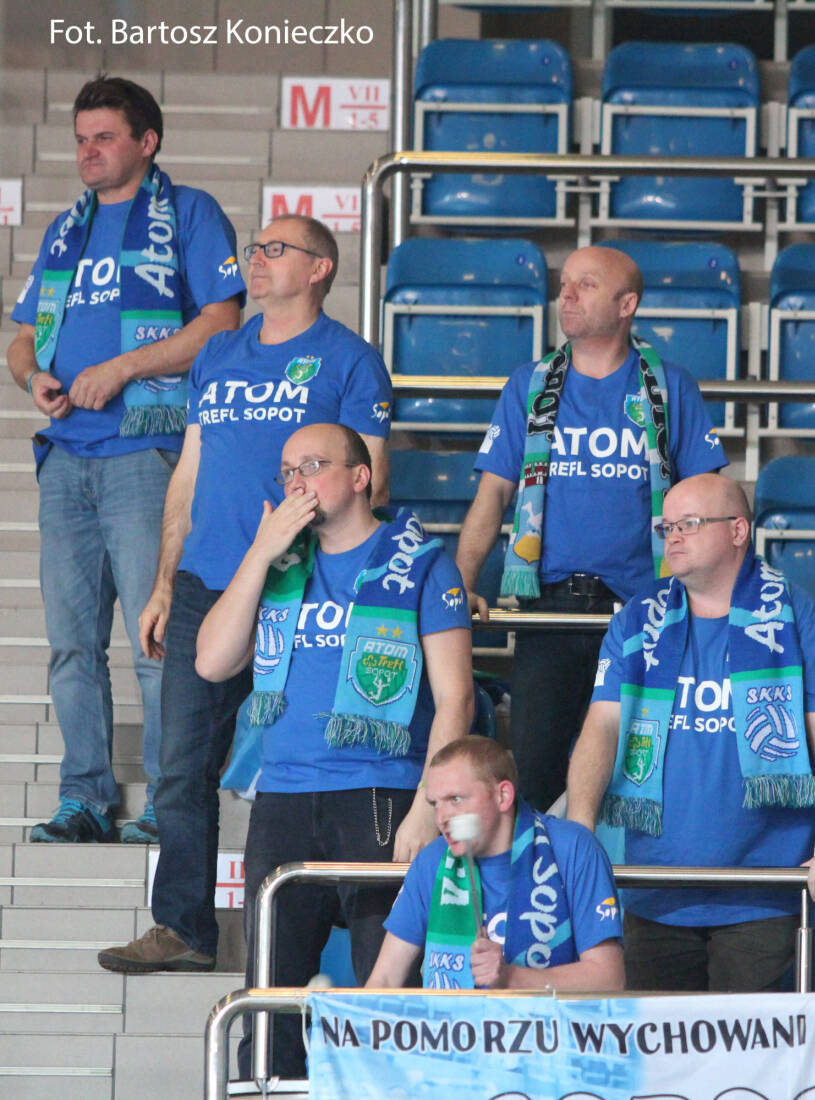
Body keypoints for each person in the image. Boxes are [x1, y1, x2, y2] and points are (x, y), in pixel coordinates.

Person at [97, 215, 392, 975]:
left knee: (310, 759)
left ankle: (346, 932)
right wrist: (164, 582)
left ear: (320, 268)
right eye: (252, 248)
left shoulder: (350, 359)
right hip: (206, 584)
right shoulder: (220, 352)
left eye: (275, 249)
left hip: (302, 586)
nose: (254, 260)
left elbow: (372, 481)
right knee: (179, 766)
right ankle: (184, 929)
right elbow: (189, 474)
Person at [180, 422, 473, 1074]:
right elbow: (211, 662)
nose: (297, 483)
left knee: (390, 997)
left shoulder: (421, 562)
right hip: (283, 798)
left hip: (380, 795)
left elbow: (457, 699)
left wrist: (428, 807)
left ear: (360, 476)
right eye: (287, 471)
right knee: (270, 1008)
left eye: (311, 466)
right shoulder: (279, 564)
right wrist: (260, 553)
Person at [7, 76, 244, 843]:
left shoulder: (190, 213)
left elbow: (222, 322)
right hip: (66, 455)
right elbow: (22, 336)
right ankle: (83, 797)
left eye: (104, 136)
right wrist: (32, 376)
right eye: (81, 139)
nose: (88, 152)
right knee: (72, 645)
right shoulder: (64, 227)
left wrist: (123, 367)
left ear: (147, 141)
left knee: (154, 638)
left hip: (146, 451)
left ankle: (168, 804)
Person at [566, 473, 815, 992]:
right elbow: (602, 726)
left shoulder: (798, 619)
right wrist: (579, 830)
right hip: (651, 892)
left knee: (750, 1048)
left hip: (762, 896)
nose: (673, 537)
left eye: (690, 524)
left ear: (738, 531)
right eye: (667, 526)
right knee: (656, 1046)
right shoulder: (636, 621)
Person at [455, 245, 726, 810]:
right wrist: (462, 582)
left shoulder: (671, 388)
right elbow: (493, 495)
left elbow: (710, 500)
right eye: (565, 284)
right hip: (549, 611)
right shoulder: (528, 386)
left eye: (587, 284)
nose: (567, 295)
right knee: (536, 775)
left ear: (627, 305)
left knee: (644, 774)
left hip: (645, 611)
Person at [367, 737, 625, 992]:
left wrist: (511, 978)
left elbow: (609, 978)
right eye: (435, 804)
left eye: (456, 799)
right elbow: (384, 980)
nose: (442, 818)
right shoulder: (432, 860)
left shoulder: (573, 847)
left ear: (503, 795)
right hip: (453, 1020)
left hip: (545, 1019)